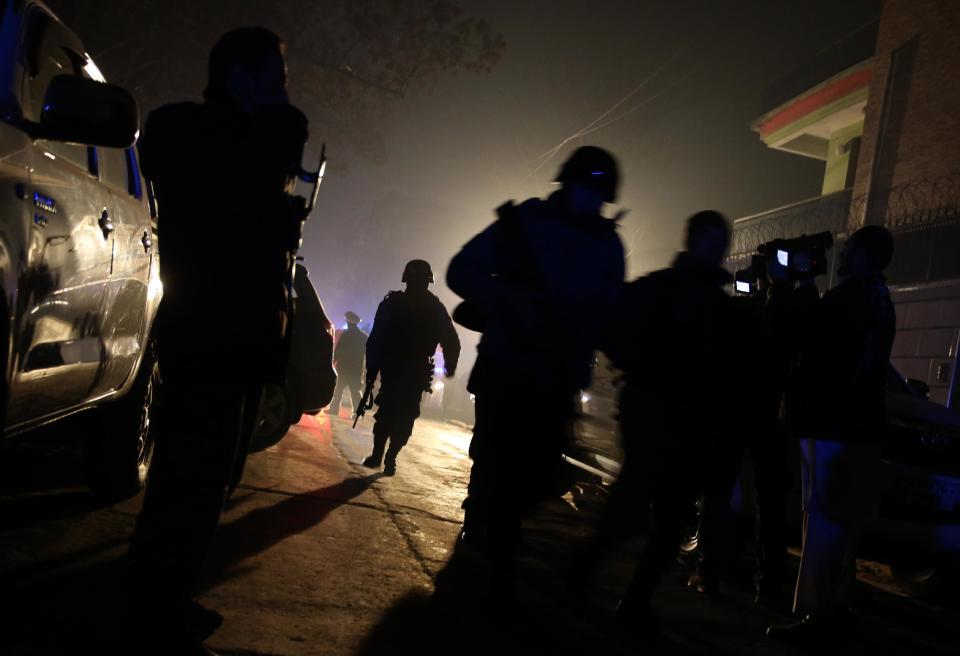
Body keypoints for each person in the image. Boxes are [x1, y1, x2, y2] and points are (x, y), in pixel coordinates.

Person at [130, 27, 310, 654]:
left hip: (237, 337)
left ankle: (165, 598)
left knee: (210, 481)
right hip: (206, 331)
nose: (286, 93)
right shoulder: (188, 130)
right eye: (276, 78)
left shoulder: (238, 142)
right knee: (188, 477)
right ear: (239, 76)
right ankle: (150, 609)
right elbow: (239, 185)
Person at [446, 146, 625, 597]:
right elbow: (461, 271)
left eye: (597, 193)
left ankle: (493, 530)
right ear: (567, 184)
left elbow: (611, 312)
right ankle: (492, 551)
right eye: (585, 188)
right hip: (508, 369)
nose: (590, 200)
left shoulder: (606, 245)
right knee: (493, 461)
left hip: (558, 378)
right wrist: (510, 301)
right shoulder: (525, 224)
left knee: (543, 472)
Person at [604, 210, 734, 637]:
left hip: (692, 428)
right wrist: (642, 374)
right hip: (654, 420)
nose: (716, 248)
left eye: (721, 241)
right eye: (709, 239)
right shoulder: (661, 289)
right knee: (628, 514)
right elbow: (617, 328)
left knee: (671, 522)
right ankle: (582, 577)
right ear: (693, 240)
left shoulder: (719, 305)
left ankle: (635, 600)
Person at [768, 226, 896, 643]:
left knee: (822, 523)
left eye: (850, 250)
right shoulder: (881, 299)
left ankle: (814, 617)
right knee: (843, 527)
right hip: (859, 430)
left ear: (863, 257)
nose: (841, 256)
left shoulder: (849, 299)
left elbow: (802, 335)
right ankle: (838, 608)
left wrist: (799, 283)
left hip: (832, 430)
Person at [692, 256, 819, 607]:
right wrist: (789, 284)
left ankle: (708, 571)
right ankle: (768, 585)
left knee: (720, 496)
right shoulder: (786, 311)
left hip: (737, 413)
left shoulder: (753, 311)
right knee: (770, 504)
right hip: (768, 416)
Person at [362, 260, 460, 476]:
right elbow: (451, 340)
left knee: (392, 414)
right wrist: (450, 366)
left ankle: (384, 456)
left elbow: (376, 340)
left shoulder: (393, 304)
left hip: (399, 369)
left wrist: (372, 369)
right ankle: (386, 456)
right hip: (409, 371)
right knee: (400, 416)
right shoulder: (433, 308)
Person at [328, 311, 367, 416]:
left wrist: (333, 362)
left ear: (348, 322)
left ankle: (334, 410)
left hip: (344, 369)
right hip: (356, 370)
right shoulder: (363, 337)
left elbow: (338, 351)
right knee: (355, 392)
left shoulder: (345, 335)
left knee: (338, 391)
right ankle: (358, 413)